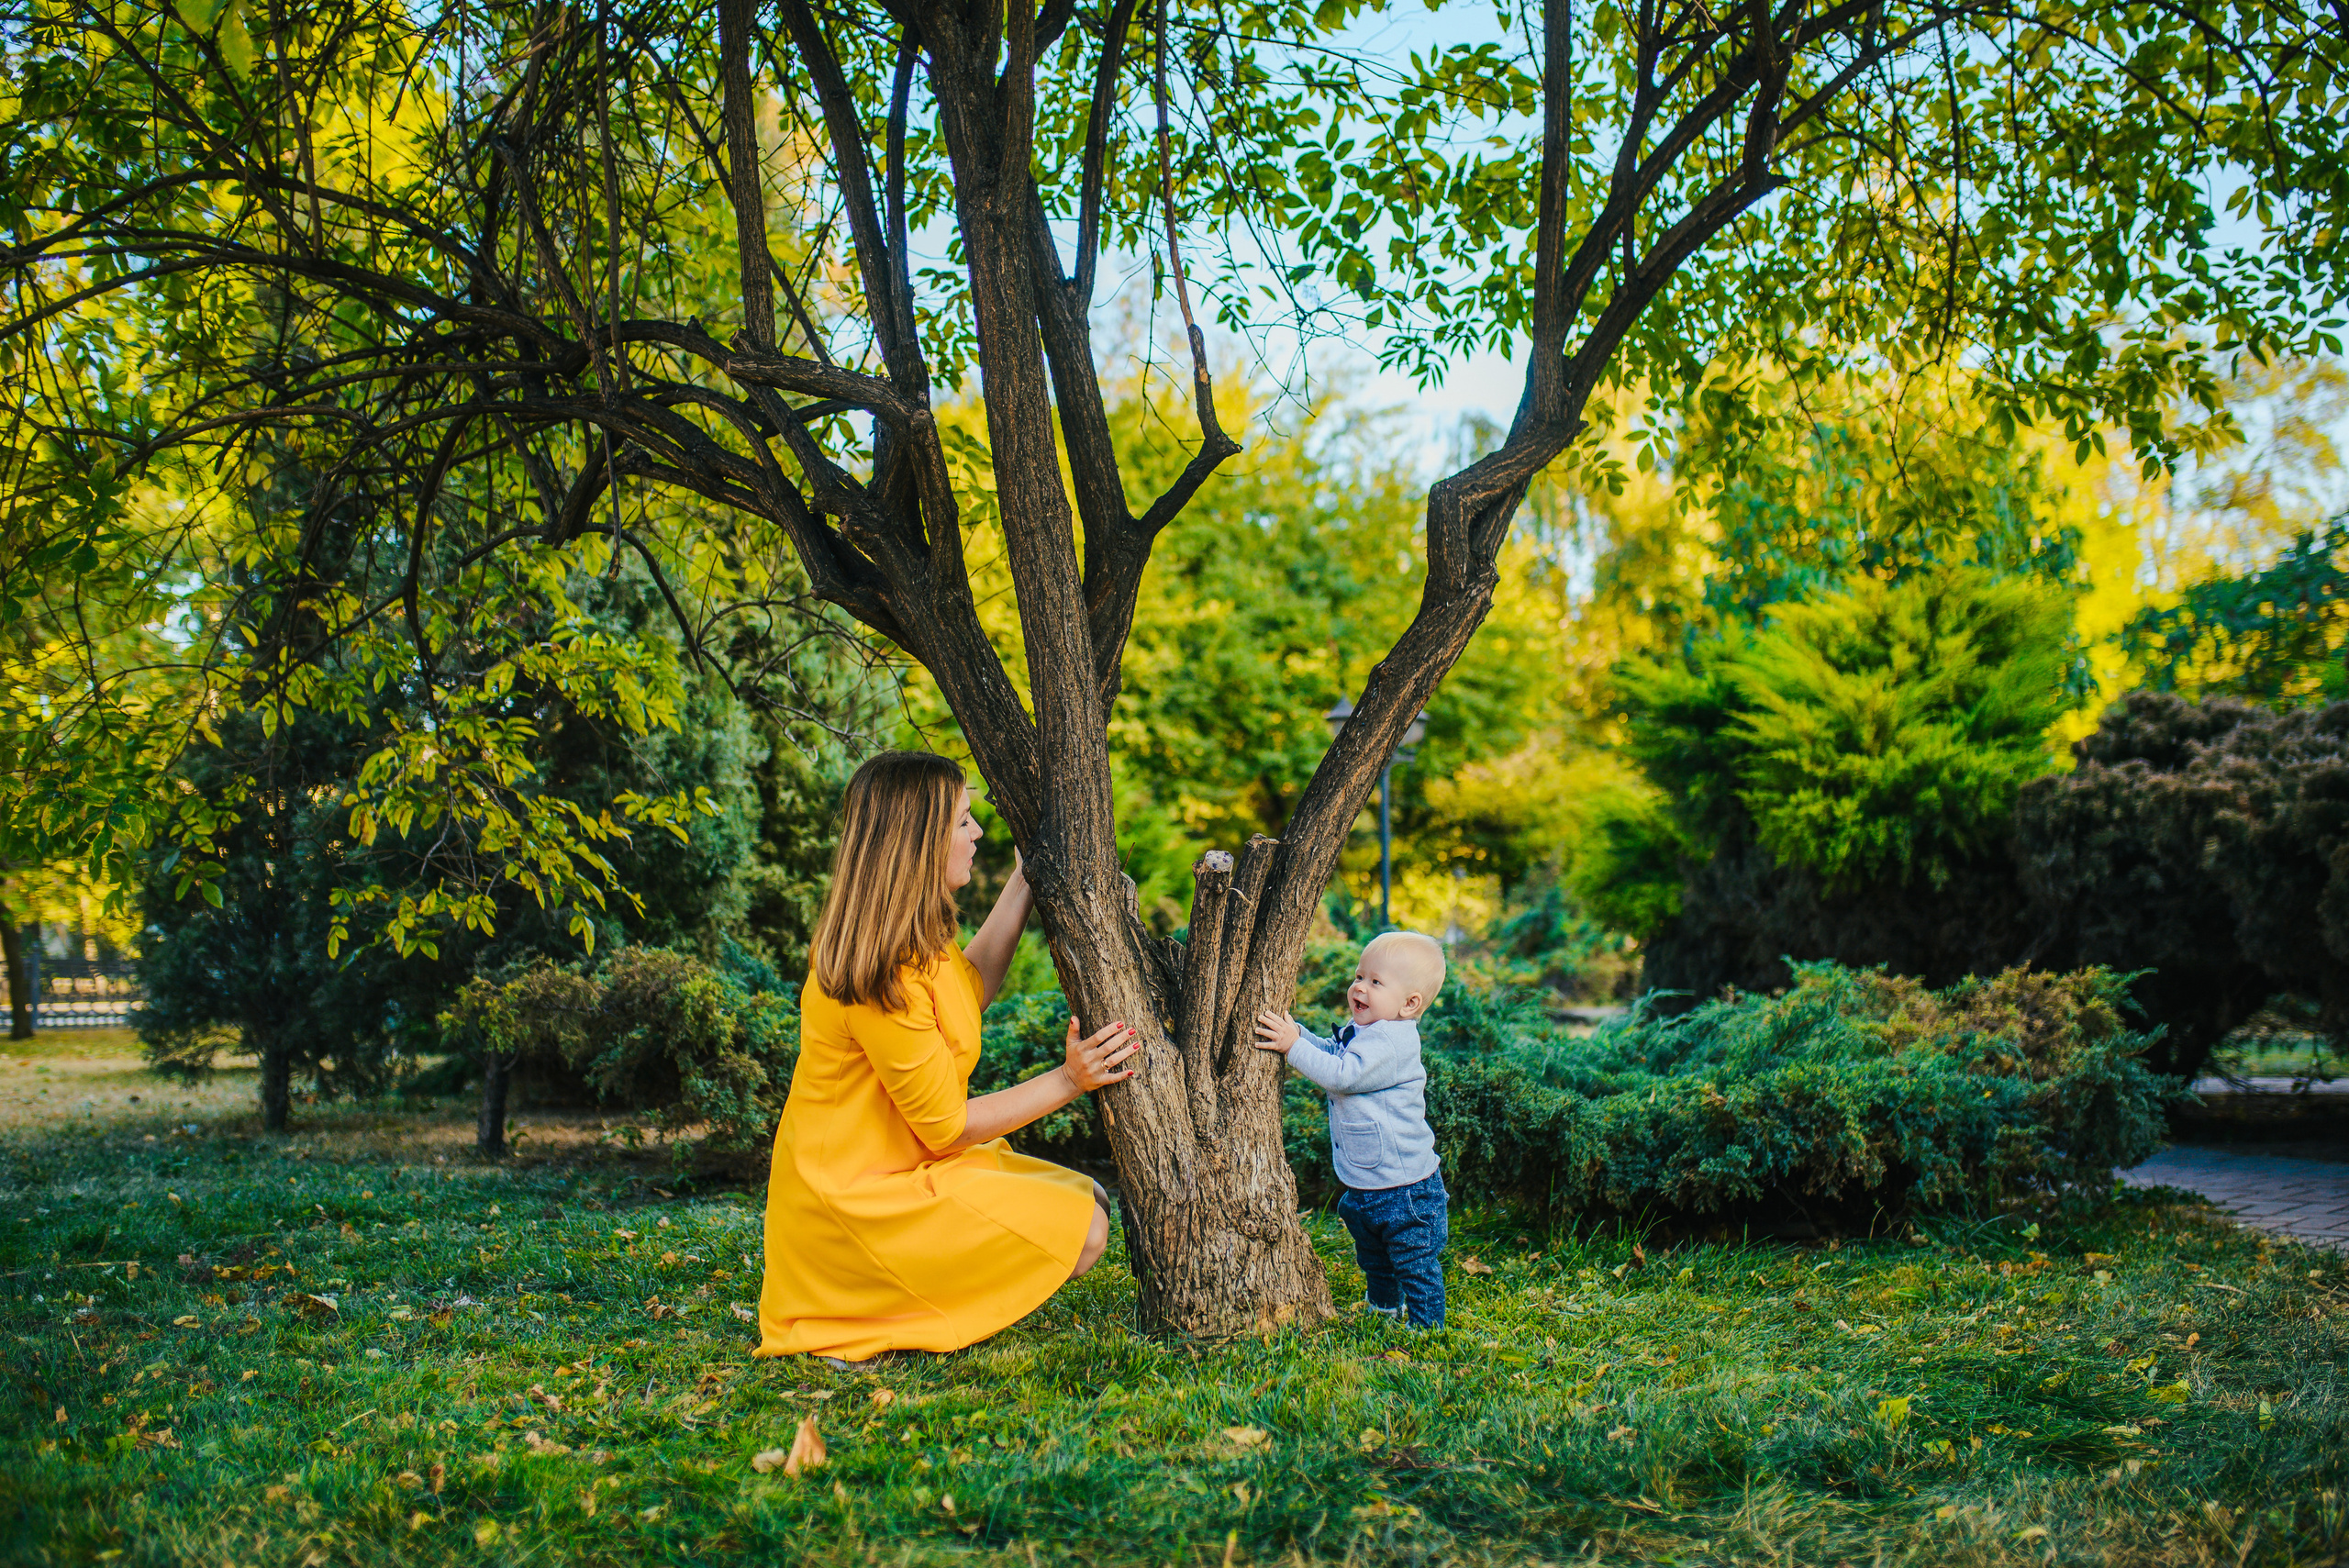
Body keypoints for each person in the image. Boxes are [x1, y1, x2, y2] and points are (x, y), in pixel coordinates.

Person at [756, 751, 1141, 1365]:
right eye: (964, 821)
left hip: (898, 1176)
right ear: (921, 840)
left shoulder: (916, 937)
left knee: (1091, 1199)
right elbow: (947, 1128)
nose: (978, 833)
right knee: (1087, 1231)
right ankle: (855, 1313)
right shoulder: (883, 967)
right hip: (854, 1207)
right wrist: (1071, 1078)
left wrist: (1024, 880)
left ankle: (893, 1296)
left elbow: (967, 990)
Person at [1252, 930, 1449, 1329]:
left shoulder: (1391, 1043)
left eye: (1376, 982)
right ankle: (1383, 1309)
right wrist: (1300, 1035)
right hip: (1373, 1183)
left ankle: (1428, 1327)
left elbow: (1342, 1075)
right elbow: (1334, 1051)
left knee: (1413, 1262)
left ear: (1410, 1004)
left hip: (1406, 1189)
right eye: (1359, 976)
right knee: (1375, 1257)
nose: (1359, 988)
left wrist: (1291, 1047)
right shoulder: (1371, 1030)